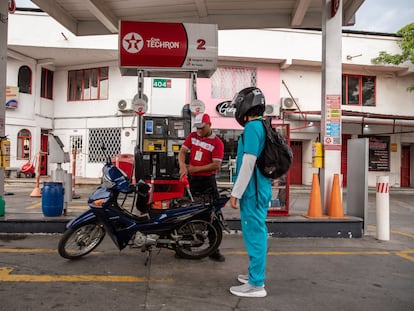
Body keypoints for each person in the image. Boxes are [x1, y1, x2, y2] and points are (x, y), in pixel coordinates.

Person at [229, 87, 272, 298]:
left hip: (252, 192)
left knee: (255, 235)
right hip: (258, 189)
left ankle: (256, 284)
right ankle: (253, 275)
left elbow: (248, 163)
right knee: (256, 233)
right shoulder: (262, 125)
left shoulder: (253, 128)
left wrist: (235, 193)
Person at [178, 112, 226, 262]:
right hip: (192, 180)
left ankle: (213, 248)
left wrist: (194, 169)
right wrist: (182, 166)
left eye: (202, 127)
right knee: (186, 211)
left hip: (208, 181)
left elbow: (216, 164)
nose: (199, 131)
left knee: (213, 213)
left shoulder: (217, 143)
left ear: (209, 125)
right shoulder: (193, 136)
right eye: (197, 127)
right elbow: (182, 151)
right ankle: (185, 246)